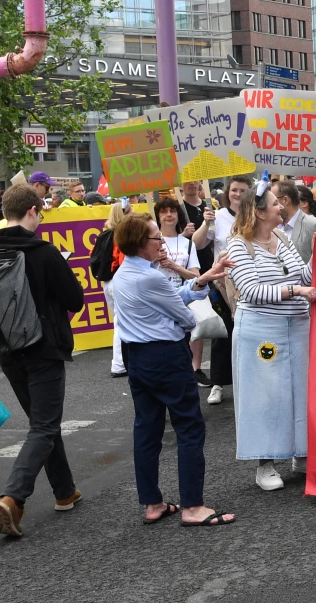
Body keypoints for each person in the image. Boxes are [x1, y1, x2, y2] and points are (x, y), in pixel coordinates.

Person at [0, 185, 87, 537]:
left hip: (8, 353)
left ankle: (65, 492)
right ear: (33, 211)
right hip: (44, 349)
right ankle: (13, 497)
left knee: (41, 423)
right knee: (44, 426)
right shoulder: (45, 253)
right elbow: (75, 300)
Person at [108, 214, 237, 527]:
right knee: (189, 426)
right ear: (142, 244)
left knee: (147, 428)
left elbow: (171, 298)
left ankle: (152, 503)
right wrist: (192, 296)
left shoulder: (126, 272)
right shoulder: (149, 277)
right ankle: (193, 506)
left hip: (137, 356)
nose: (161, 240)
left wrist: (203, 279)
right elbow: (187, 317)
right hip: (165, 355)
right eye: (155, 237)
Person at [227, 183, 316, 491]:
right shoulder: (238, 246)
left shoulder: (282, 238)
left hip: (298, 324)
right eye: (275, 203)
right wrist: (296, 291)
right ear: (259, 211)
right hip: (262, 332)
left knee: (301, 392)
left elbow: (303, 277)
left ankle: (301, 454)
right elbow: (251, 291)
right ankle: (265, 463)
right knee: (265, 397)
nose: (282, 207)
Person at [191, 174, 247, 404]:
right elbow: (198, 243)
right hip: (224, 283)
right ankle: (218, 383)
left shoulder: (255, 215)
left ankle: (247, 382)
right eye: (234, 190)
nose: (238, 194)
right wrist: (206, 223)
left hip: (251, 282)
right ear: (227, 192)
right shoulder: (218, 216)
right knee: (224, 333)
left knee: (248, 333)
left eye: (243, 190)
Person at [99, 201, 131, 378]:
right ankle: (119, 364)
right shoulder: (122, 236)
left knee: (117, 321)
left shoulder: (105, 235)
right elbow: (123, 261)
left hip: (107, 282)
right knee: (121, 322)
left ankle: (119, 362)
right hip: (119, 280)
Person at [273, 179, 316, 263]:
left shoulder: (313, 225)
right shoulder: (273, 226)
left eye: (274, 201)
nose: (270, 204)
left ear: (285, 200)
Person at [153, 197, 199, 288]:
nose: (169, 214)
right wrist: (155, 260)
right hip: (156, 295)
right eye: (163, 211)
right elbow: (137, 271)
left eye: (173, 211)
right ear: (157, 216)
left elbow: (196, 278)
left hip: (181, 296)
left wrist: (174, 266)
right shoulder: (150, 241)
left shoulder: (188, 244)